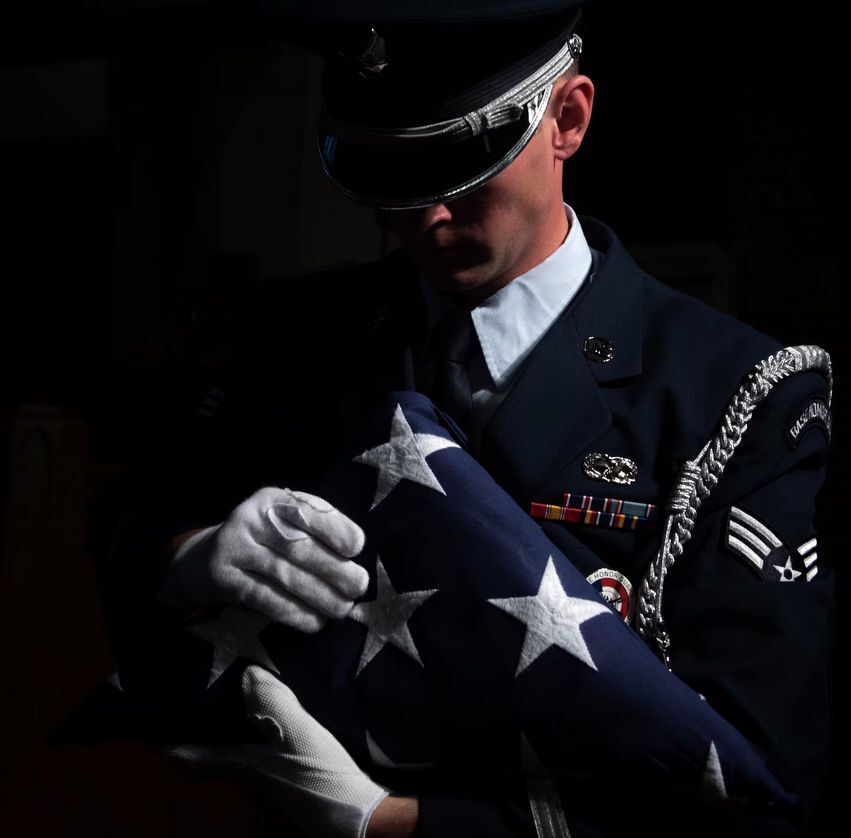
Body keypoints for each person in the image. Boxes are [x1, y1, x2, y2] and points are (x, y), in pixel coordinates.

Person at [93, 2, 836, 836]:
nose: (422, 222)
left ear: (567, 118)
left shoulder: (738, 395)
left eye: (454, 172)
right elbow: (130, 515)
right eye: (387, 181)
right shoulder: (290, 334)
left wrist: (388, 822)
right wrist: (190, 554)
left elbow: (754, 779)